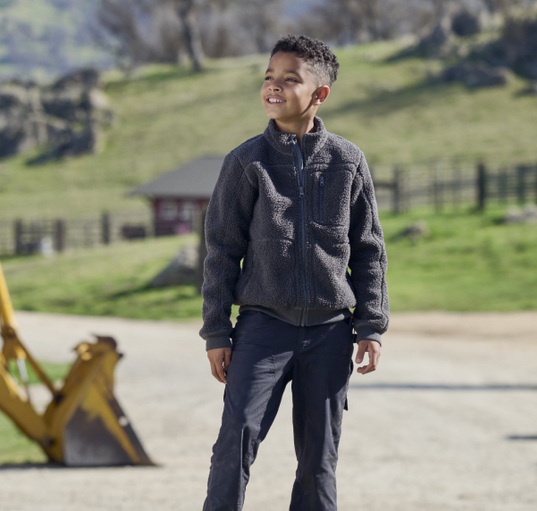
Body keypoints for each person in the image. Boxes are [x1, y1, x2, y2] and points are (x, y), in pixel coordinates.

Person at [199, 35, 388, 511]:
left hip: (330, 333)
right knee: (235, 440)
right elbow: (221, 250)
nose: (274, 87)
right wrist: (217, 330)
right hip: (263, 329)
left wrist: (371, 326)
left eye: (289, 79)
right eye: (268, 78)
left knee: (319, 461)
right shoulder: (246, 163)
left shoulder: (348, 162)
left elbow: (369, 250)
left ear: (319, 93)